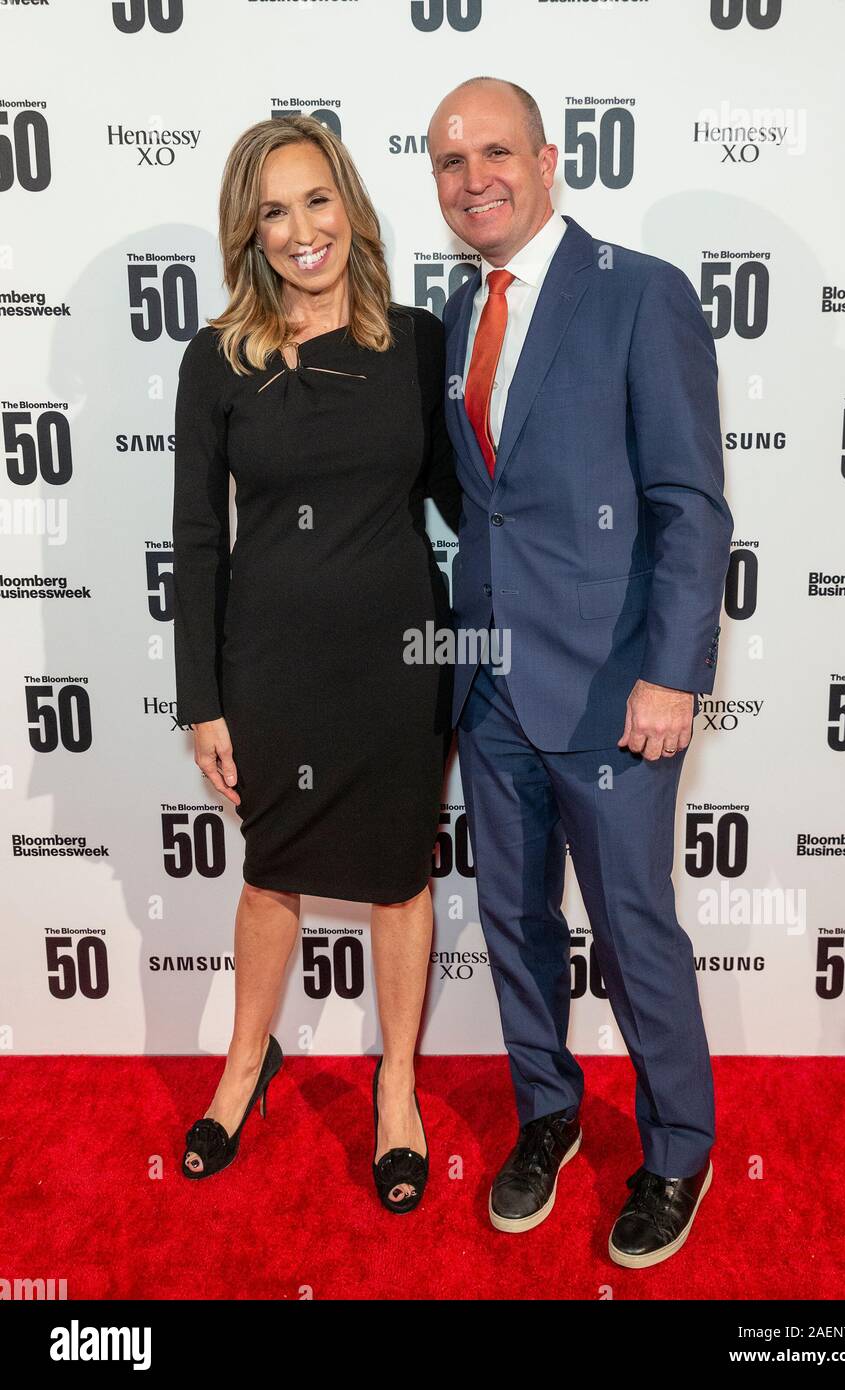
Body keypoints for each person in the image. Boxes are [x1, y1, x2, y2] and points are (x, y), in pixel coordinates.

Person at [427, 77, 734, 1265]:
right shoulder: (460, 312)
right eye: (449, 164)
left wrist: (672, 674)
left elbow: (689, 505)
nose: (473, 179)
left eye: (494, 152)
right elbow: (485, 502)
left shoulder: (639, 294)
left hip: (613, 685)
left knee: (633, 922)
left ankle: (675, 1150)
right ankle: (546, 1114)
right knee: (510, 919)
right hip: (491, 680)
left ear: (548, 160)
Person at [172, 115, 461, 1213]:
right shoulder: (220, 360)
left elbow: (463, 499)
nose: (302, 231)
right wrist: (203, 699)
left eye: (317, 201)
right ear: (249, 233)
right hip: (271, 668)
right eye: (275, 212)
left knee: (396, 875)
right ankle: (246, 1063)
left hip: (397, 666)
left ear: (349, 203)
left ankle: (397, 1085)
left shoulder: (417, 343)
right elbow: (197, 537)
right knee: (269, 871)